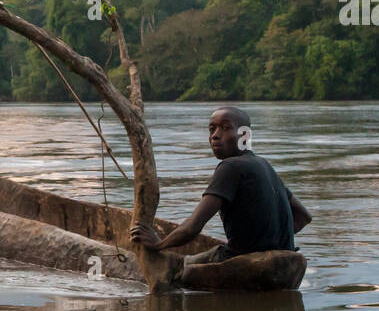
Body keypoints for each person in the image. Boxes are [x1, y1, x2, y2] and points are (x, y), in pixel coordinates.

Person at [129, 106, 311, 266]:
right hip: (287, 261)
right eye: (212, 129)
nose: (215, 135)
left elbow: (193, 227)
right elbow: (304, 217)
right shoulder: (264, 165)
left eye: (225, 128)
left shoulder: (230, 166)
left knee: (176, 267)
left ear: (245, 135)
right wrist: (270, 243)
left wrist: (157, 244)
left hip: (243, 260)